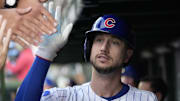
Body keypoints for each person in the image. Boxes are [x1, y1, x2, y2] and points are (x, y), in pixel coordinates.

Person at [15, 14, 158, 101]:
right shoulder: (65, 97)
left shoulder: (146, 98)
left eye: (115, 42)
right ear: (89, 49)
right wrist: (44, 55)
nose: (104, 48)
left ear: (127, 55)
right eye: (99, 40)